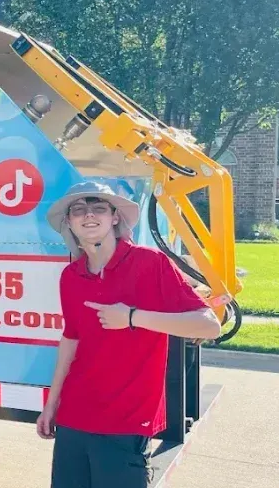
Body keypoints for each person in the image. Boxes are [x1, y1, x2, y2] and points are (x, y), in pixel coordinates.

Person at [37, 181, 221, 488]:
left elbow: (208, 324)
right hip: (73, 414)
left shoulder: (150, 263)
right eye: (79, 210)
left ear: (114, 217)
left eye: (98, 207)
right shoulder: (71, 276)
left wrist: (133, 317)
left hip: (125, 422)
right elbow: (71, 340)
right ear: (69, 222)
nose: (89, 215)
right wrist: (52, 403)